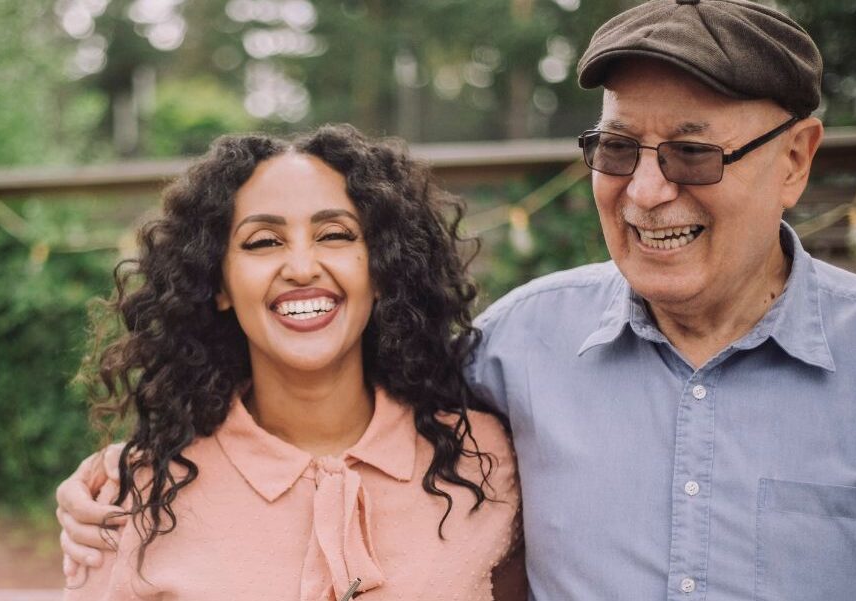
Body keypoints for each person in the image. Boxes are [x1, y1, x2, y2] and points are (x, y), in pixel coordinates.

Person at [60, 1, 856, 599]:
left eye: (694, 155)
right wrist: (121, 473)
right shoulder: (520, 349)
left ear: (796, 159)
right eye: (618, 149)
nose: (645, 191)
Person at [59, 124, 524, 600]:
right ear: (217, 284)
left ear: (384, 268)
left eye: (336, 234)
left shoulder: (484, 460)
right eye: (264, 241)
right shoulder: (135, 493)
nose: (302, 268)